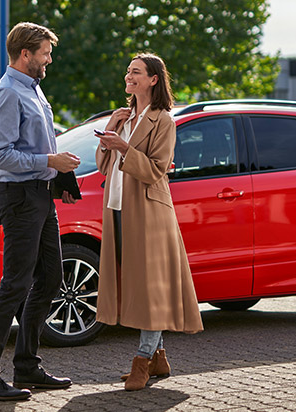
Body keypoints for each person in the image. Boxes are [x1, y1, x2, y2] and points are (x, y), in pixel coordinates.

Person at [0, 22, 81, 401]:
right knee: (15, 284)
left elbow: (41, 143)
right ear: (26, 53)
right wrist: (49, 159)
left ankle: (27, 366)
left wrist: (59, 173)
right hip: (18, 197)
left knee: (51, 277)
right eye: (45, 52)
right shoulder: (7, 93)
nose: (49, 58)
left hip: (40, 195)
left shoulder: (34, 90)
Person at [94, 53, 203, 391]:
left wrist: (124, 147)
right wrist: (112, 129)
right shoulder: (123, 117)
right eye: (128, 70)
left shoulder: (164, 121)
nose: (129, 76)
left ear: (153, 79)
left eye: (136, 72)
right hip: (117, 209)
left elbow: (157, 170)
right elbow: (101, 164)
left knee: (150, 287)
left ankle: (142, 360)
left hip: (149, 212)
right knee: (136, 285)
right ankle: (158, 358)